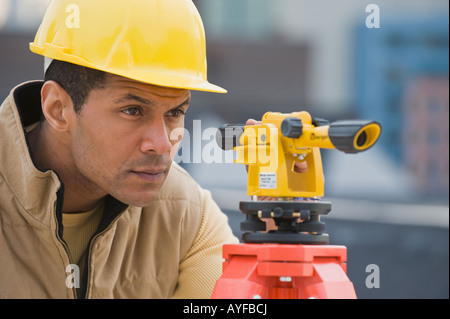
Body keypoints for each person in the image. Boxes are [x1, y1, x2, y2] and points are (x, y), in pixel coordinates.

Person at [0, 0, 239, 299]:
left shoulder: (189, 216)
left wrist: (272, 258)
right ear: (58, 109)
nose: (162, 143)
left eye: (175, 112)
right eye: (133, 111)